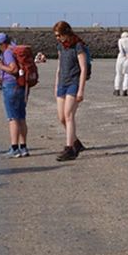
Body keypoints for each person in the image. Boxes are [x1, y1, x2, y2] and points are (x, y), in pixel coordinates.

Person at [52, 21, 88, 161]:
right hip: (62, 83)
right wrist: (56, 85)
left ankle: (70, 149)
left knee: (68, 115)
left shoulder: (78, 46)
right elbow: (59, 67)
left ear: (66, 33)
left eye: (59, 35)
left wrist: (81, 90)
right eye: (56, 36)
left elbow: (83, 68)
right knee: (61, 118)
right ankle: (76, 143)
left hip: (74, 83)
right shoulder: (60, 46)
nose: (58, 38)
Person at [0, 33, 30, 157]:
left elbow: (13, 69)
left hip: (10, 85)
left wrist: (0, 65)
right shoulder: (15, 49)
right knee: (21, 117)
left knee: (13, 118)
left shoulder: (8, 52)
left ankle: (14, 148)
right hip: (21, 85)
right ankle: (24, 147)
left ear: (3, 44)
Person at [114, 31, 128, 96]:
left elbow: (121, 49)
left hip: (121, 58)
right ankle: (125, 90)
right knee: (127, 75)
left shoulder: (120, 40)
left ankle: (117, 90)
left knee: (118, 74)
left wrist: (124, 54)